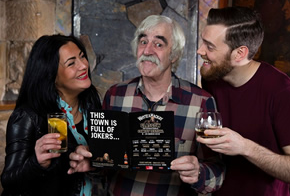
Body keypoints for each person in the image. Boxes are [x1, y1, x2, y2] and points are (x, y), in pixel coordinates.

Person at [68, 15, 225, 195]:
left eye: (158, 44)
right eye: (143, 42)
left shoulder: (201, 102)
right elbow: (106, 165)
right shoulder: (115, 96)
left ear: (174, 54)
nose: (147, 51)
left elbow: (217, 175)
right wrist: (92, 162)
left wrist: (198, 172)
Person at [197, 6, 290, 196]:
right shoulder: (212, 78)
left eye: (209, 46)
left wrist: (245, 147)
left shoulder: (282, 91)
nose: (199, 51)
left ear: (239, 54)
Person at [1, 34, 101, 196]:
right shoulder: (28, 116)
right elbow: (9, 181)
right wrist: (37, 162)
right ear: (51, 74)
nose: (83, 66)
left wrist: (96, 163)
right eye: (71, 63)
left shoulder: (92, 106)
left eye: (82, 57)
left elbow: (102, 166)